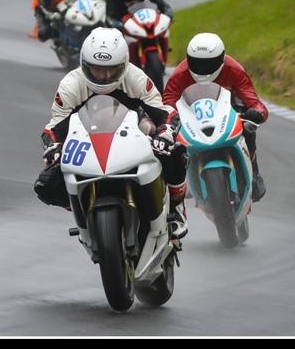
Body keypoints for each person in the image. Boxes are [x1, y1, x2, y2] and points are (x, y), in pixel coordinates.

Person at [36, 27, 189, 240]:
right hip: (88, 141)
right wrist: (53, 147)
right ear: (84, 64)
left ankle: (175, 209)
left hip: (134, 132)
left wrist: (165, 133)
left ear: (124, 65)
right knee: (46, 184)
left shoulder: (136, 78)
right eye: (96, 70)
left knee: (176, 151)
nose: (105, 76)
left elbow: (163, 112)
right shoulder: (71, 85)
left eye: (111, 70)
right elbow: (54, 127)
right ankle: (84, 210)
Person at [163, 32, 267, 202]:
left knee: (248, 127)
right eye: (197, 63)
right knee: (169, 140)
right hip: (194, 115)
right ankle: (182, 179)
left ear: (221, 59)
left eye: (208, 63)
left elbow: (253, 100)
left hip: (228, 110)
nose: (203, 69)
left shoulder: (234, 69)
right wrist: (172, 118)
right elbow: (167, 103)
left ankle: (254, 173)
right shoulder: (180, 74)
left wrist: (257, 113)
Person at [105, 0, 175, 79]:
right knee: (111, 42)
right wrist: (115, 24)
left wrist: (168, 13)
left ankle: (163, 56)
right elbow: (109, 17)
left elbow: (163, 5)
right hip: (122, 25)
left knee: (162, 29)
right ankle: (114, 69)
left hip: (141, 21)